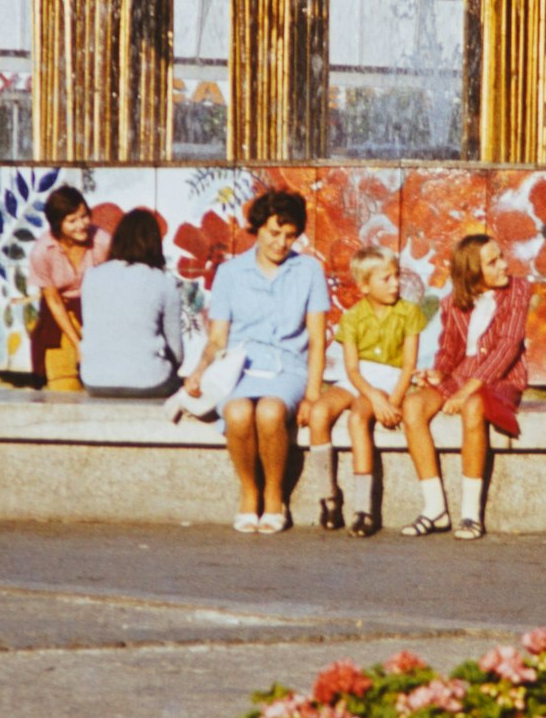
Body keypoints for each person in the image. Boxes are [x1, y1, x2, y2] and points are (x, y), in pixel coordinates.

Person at [183, 189, 327, 535]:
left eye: (290, 236)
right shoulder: (231, 273)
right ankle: (249, 490)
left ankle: (274, 493)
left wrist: (311, 394)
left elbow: (318, 338)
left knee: (270, 411)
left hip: (288, 368)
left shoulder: (309, 270)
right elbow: (218, 338)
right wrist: (199, 373)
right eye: (274, 233)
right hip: (240, 367)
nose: (281, 243)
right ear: (258, 228)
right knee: (237, 412)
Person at [400, 235, 531, 541]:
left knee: (473, 406)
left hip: (500, 378)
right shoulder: (452, 302)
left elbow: (508, 348)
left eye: (501, 256)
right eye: (493, 262)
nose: (504, 264)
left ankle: (471, 513)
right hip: (461, 374)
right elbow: (450, 348)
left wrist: (465, 391)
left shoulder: (518, 290)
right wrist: (438, 372)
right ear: (473, 273)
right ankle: (434, 507)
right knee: (412, 406)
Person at [302, 245, 423, 537]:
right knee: (319, 412)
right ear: (365, 285)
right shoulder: (353, 317)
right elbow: (353, 371)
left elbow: (408, 366)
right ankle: (328, 496)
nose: (395, 284)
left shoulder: (409, 313)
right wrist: (374, 396)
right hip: (358, 381)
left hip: (390, 379)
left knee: (358, 418)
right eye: (386, 279)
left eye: (396, 276)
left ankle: (364, 508)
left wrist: (391, 401)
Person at [78, 207, 185, 398]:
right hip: (150, 382)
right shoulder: (164, 282)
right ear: (155, 243)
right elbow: (176, 352)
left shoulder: (91, 277)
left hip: (94, 380)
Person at [28, 185, 110, 392]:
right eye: (72, 221)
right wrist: (77, 344)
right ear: (57, 224)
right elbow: (53, 300)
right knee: (64, 386)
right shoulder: (42, 251)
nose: (81, 225)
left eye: (84, 217)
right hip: (60, 315)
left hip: (96, 313)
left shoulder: (102, 242)